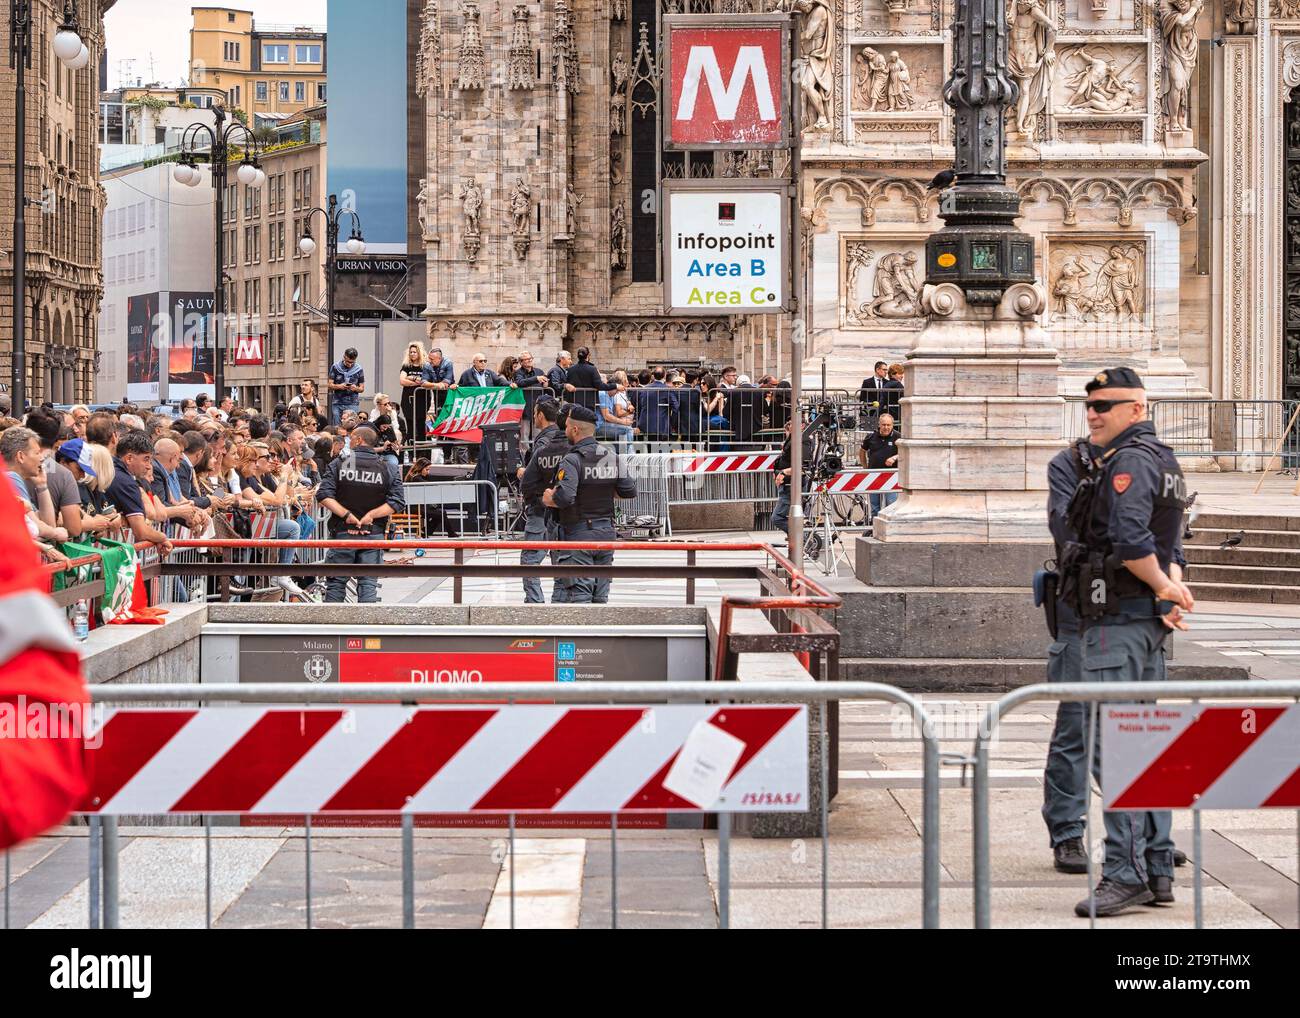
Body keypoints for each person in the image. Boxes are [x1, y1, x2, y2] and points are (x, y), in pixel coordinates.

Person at [1061, 367, 1194, 918]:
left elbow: (1134, 538)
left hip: (1116, 620)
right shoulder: (1161, 459)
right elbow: (1174, 536)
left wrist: (1165, 585)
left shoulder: (1129, 462)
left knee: (1117, 746)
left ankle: (1126, 871)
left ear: (1137, 408)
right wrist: (1170, 584)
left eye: (1107, 405)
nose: (1094, 413)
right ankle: (1157, 867)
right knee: (1144, 745)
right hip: (1141, 622)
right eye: (1090, 405)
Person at [543, 405, 636, 604]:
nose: (565, 430)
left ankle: (582, 636)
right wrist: (600, 489)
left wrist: (549, 497)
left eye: (567, 426)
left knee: (580, 599)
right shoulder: (611, 456)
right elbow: (629, 490)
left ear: (575, 430)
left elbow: (566, 497)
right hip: (606, 535)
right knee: (600, 599)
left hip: (579, 536)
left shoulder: (572, 460)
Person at [317, 425, 406, 603]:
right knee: (368, 584)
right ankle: (366, 628)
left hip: (343, 532)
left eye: (351, 438)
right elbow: (397, 502)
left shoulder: (339, 464)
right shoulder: (388, 468)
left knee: (335, 584)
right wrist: (371, 515)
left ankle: (332, 628)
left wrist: (346, 515)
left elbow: (323, 494)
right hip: (373, 533)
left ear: (358, 440)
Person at [519, 399, 571, 603]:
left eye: (534, 413)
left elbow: (531, 480)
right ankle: (558, 604)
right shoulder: (568, 443)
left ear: (541, 415)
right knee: (559, 561)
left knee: (530, 561)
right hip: (562, 513)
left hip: (541, 512)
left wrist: (523, 474)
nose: (533, 417)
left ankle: (535, 605)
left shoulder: (542, 443)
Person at [104, 429, 174, 557]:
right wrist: (163, 538)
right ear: (129, 458)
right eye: (146, 459)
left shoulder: (109, 469)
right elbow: (141, 531)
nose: (149, 466)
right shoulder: (126, 482)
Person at [771, 418, 813, 537]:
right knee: (786, 516)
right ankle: (799, 539)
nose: (789, 426)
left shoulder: (803, 441)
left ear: (802, 425)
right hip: (788, 485)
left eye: (792, 423)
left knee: (777, 518)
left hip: (793, 485)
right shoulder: (793, 438)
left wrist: (783, 472)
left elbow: (803, 467)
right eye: (789, 423)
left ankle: (802, 538)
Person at [859, 413, 900, 516]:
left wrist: (895, 457)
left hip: (890, 476)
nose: (886, 427)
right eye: (883, 424)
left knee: (891, 505)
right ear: (879, 425)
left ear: (892, 425)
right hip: (873, 475)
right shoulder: (871, 437)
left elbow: (906, 452)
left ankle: (889, 529)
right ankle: (874, 529)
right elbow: (862, 451)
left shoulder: (898, 437)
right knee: (875, 506)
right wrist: (865, 468)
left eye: (888, 425)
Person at [632, 368, 675, 444]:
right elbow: (675, 406)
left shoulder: (645, 389)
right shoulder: (667, 389)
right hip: (662, 426)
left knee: (650, 451)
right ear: (664, 376)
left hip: (647, 425)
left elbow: (641, 406)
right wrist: (672, 421)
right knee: (662, 451)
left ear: (654, 376)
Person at [397, 343, 429, 442]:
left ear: (419, 352)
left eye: (414, 352)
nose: (412, 354)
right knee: (410, 426)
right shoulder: (406, 366)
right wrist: (416, 381)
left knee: (421, 426)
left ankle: (422, 453)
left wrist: (411, 377)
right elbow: (402, 381)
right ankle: (411, 453)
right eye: (410, 352)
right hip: (408, 400)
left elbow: (425, 382)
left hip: (422, 400)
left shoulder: (425, 366)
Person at [327, 348, 365, 426]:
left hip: (352, 403)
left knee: (351, 425)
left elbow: (362, 388)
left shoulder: (359, 369)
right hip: (338, 402)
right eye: (348, 362)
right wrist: (339, 386)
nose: (350, 364)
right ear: (344, 357)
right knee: (337, 426)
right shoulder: (335, 367)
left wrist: (355, 388)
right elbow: (329, 385)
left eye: (352, 362)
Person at [421, 346, 456, 422]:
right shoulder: (427, 365)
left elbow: (446, 384)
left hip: (449, 395)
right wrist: (436, 385)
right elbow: (423, 383)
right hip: (437, 395)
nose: (429, 361)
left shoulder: (448, 363)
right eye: (429, 358)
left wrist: (431, 384)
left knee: (450, 418)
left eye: (432, 359)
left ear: (439, 359)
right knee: (440, 418)